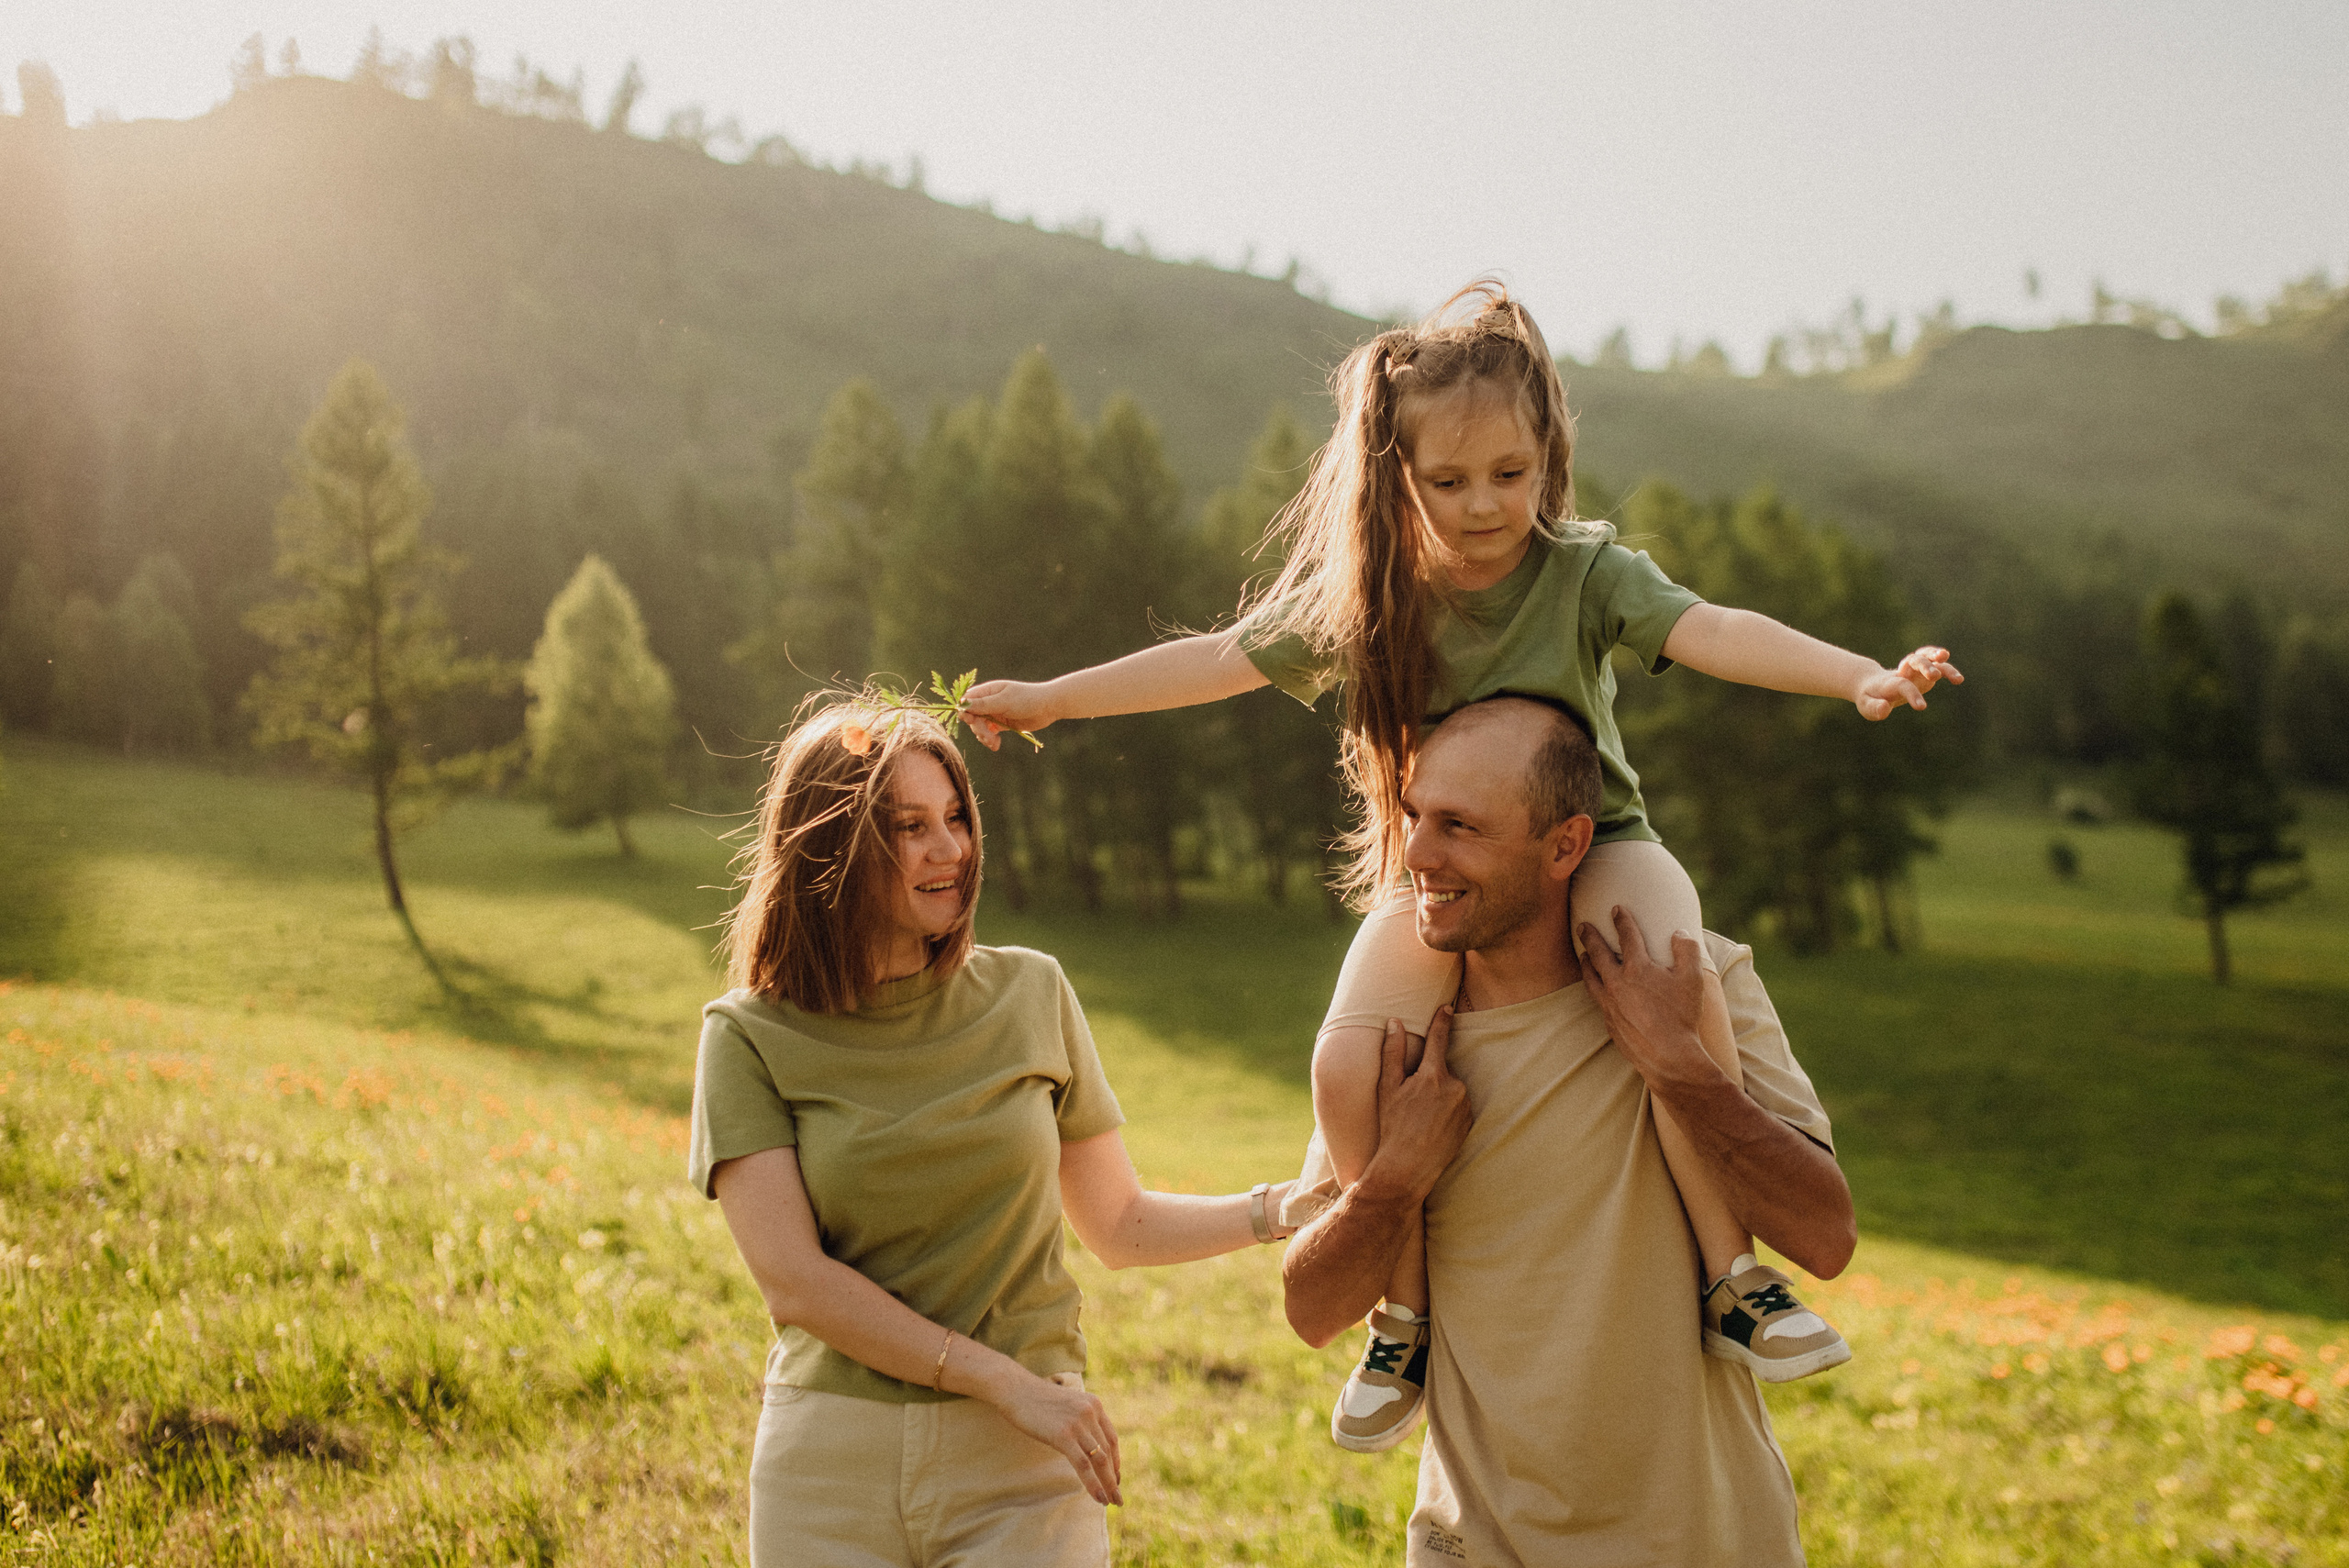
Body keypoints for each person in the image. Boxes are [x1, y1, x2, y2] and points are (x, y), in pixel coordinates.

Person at [960, 281, 1954, 1449]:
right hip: (1433, 870)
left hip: (1604, 845)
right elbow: (1215, 659)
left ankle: (1733, 1277)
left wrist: (1856, 676)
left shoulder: (1585, 572)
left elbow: (1716, 628)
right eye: (1448, 481)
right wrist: (1053, 703)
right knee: (1347, 1057)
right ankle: (1402, 1319)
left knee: (1672, 967)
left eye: (1512, 475)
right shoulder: (1373, 597)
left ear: (1548, 458)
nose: (1485, 507)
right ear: (1397, 475)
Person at [688, 700, 1297, 1567]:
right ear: (830, 847)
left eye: (956, 818)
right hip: (832, 1463)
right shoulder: (748, 1035)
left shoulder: (1031, 994)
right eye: (909, 827)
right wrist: (1006, 1384)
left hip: (1024, 1466)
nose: (950, 850)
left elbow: (1118, 1222)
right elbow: (797, 1283)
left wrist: (1280, 1208)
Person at [1283, 695, 1856, 1565]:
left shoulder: (1694, 981)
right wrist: (1392, 1179)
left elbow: (1825, 1234)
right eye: (1417, 817)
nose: (1419, 854)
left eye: (1461, 826)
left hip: (1705, 1542)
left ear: (1566, 845)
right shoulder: (1400, 1035)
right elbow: (1312, 1306)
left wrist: (1679, 1066)